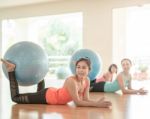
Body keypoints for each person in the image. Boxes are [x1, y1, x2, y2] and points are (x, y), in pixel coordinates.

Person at [1, 58, 112, 108]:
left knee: (36, 94)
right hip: (47, 97)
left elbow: (86, 99)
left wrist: (97, 102)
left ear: (89, 70)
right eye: (78, 67)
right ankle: (11, 70)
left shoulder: (86, 80)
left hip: (52, 93)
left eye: (84, 68)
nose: (80, 70)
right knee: (15, 99)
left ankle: (40, 76)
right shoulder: (71, 81)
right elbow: (78, 102)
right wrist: (96, 104)